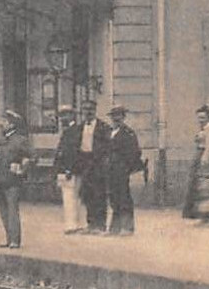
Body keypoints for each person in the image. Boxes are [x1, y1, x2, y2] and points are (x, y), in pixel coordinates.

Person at [0, 110, 32, 249]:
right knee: (4, 211)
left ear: (11, 124)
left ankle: (15, 240)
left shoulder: (20, 140)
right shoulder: (3, 140)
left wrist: (21, 168)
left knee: (12, 210)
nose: (1, 124)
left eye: (4, 121)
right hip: (0, 179)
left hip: (13, 180)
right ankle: (9, 239)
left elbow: (30, 157)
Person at [74, 99, 112, 234]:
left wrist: (103, 162)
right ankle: (91, 224)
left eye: (90, 109)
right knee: (87, 194)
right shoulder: (79, 128)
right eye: (85, 109)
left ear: (95, 111)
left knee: (99, 194)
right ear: (82, 111)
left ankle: (100, 225)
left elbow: (108, 147)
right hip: (84, 163)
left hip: (98, 164)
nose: (87, 112)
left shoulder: (104, 128)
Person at [106, 105, 143, 235]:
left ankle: (127, 227)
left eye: (119, 115)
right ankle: (114, 228)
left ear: (123, 117)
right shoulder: (108, 132)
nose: (116, 118)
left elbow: (135, 152)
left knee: (124, 197)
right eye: (114, 116)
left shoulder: (128, 133)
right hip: (110, 169)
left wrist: (127, 167)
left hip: (121, 169)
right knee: (113, 198)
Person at [52, 106, 86, 234]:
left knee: (71, 197)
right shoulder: (68, 131)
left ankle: (72, 225)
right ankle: (73, 224)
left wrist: (68, 169)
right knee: (69, 197)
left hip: (70, 170)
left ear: (72, 116)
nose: (62, 119)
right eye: (61, 116)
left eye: (64, 116)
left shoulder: (75, 131)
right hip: (66, 169)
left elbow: (73, 152)